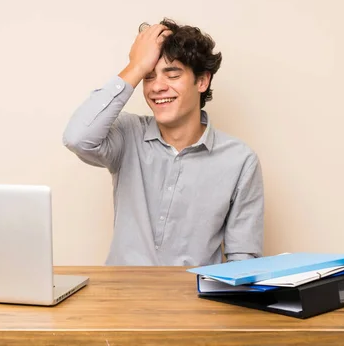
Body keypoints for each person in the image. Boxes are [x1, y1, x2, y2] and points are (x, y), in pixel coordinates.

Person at [63, 18, 264, 266]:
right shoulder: (127, 134)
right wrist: (135, 66)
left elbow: (242, 260)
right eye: (148, 77)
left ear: (202, 81)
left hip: (195, 300)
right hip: (121, 298)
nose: (157, 87)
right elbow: (77, 138)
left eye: (172, 74)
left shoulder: (240, 160)